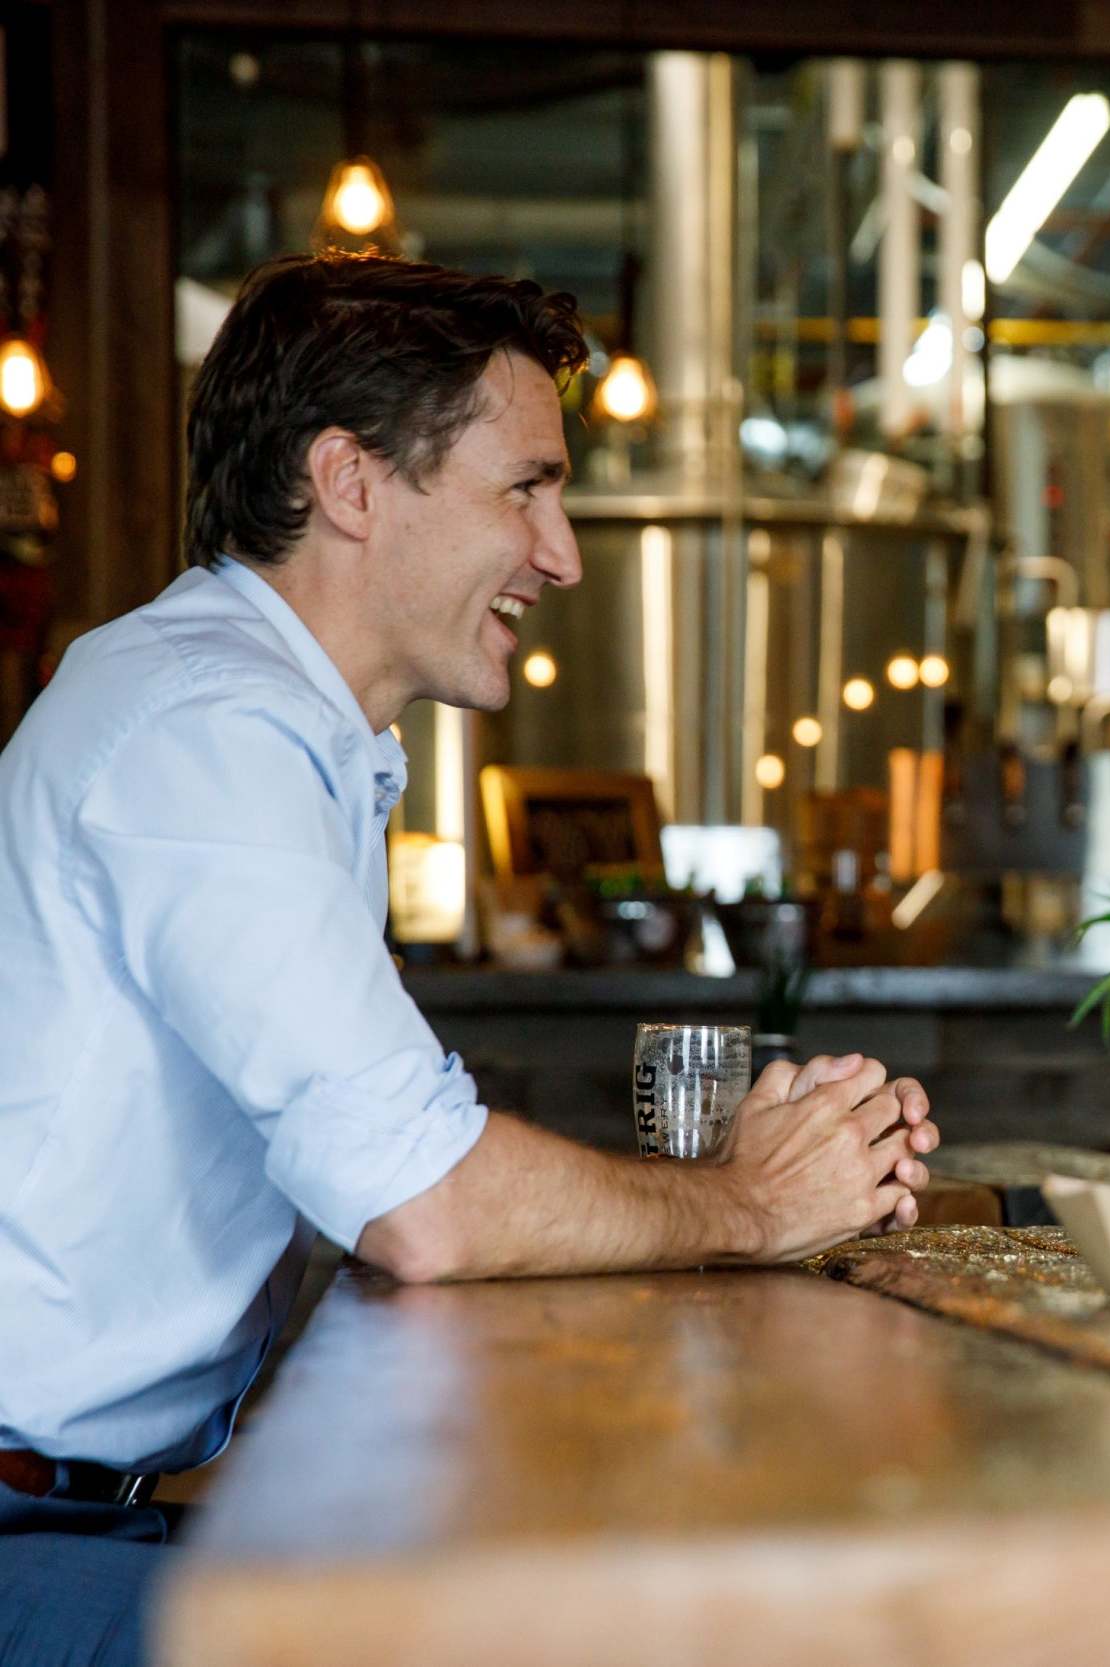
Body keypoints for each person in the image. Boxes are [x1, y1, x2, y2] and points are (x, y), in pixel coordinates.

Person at [0, 253, 941, 1665]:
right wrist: (750, 1200)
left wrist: (738, 1186)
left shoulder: (283, 732)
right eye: (527, 487)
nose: (561, 552)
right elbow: (425, 1206)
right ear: (351, 480)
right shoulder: (206, 728)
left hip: (88, 1518)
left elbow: (396, 1169)